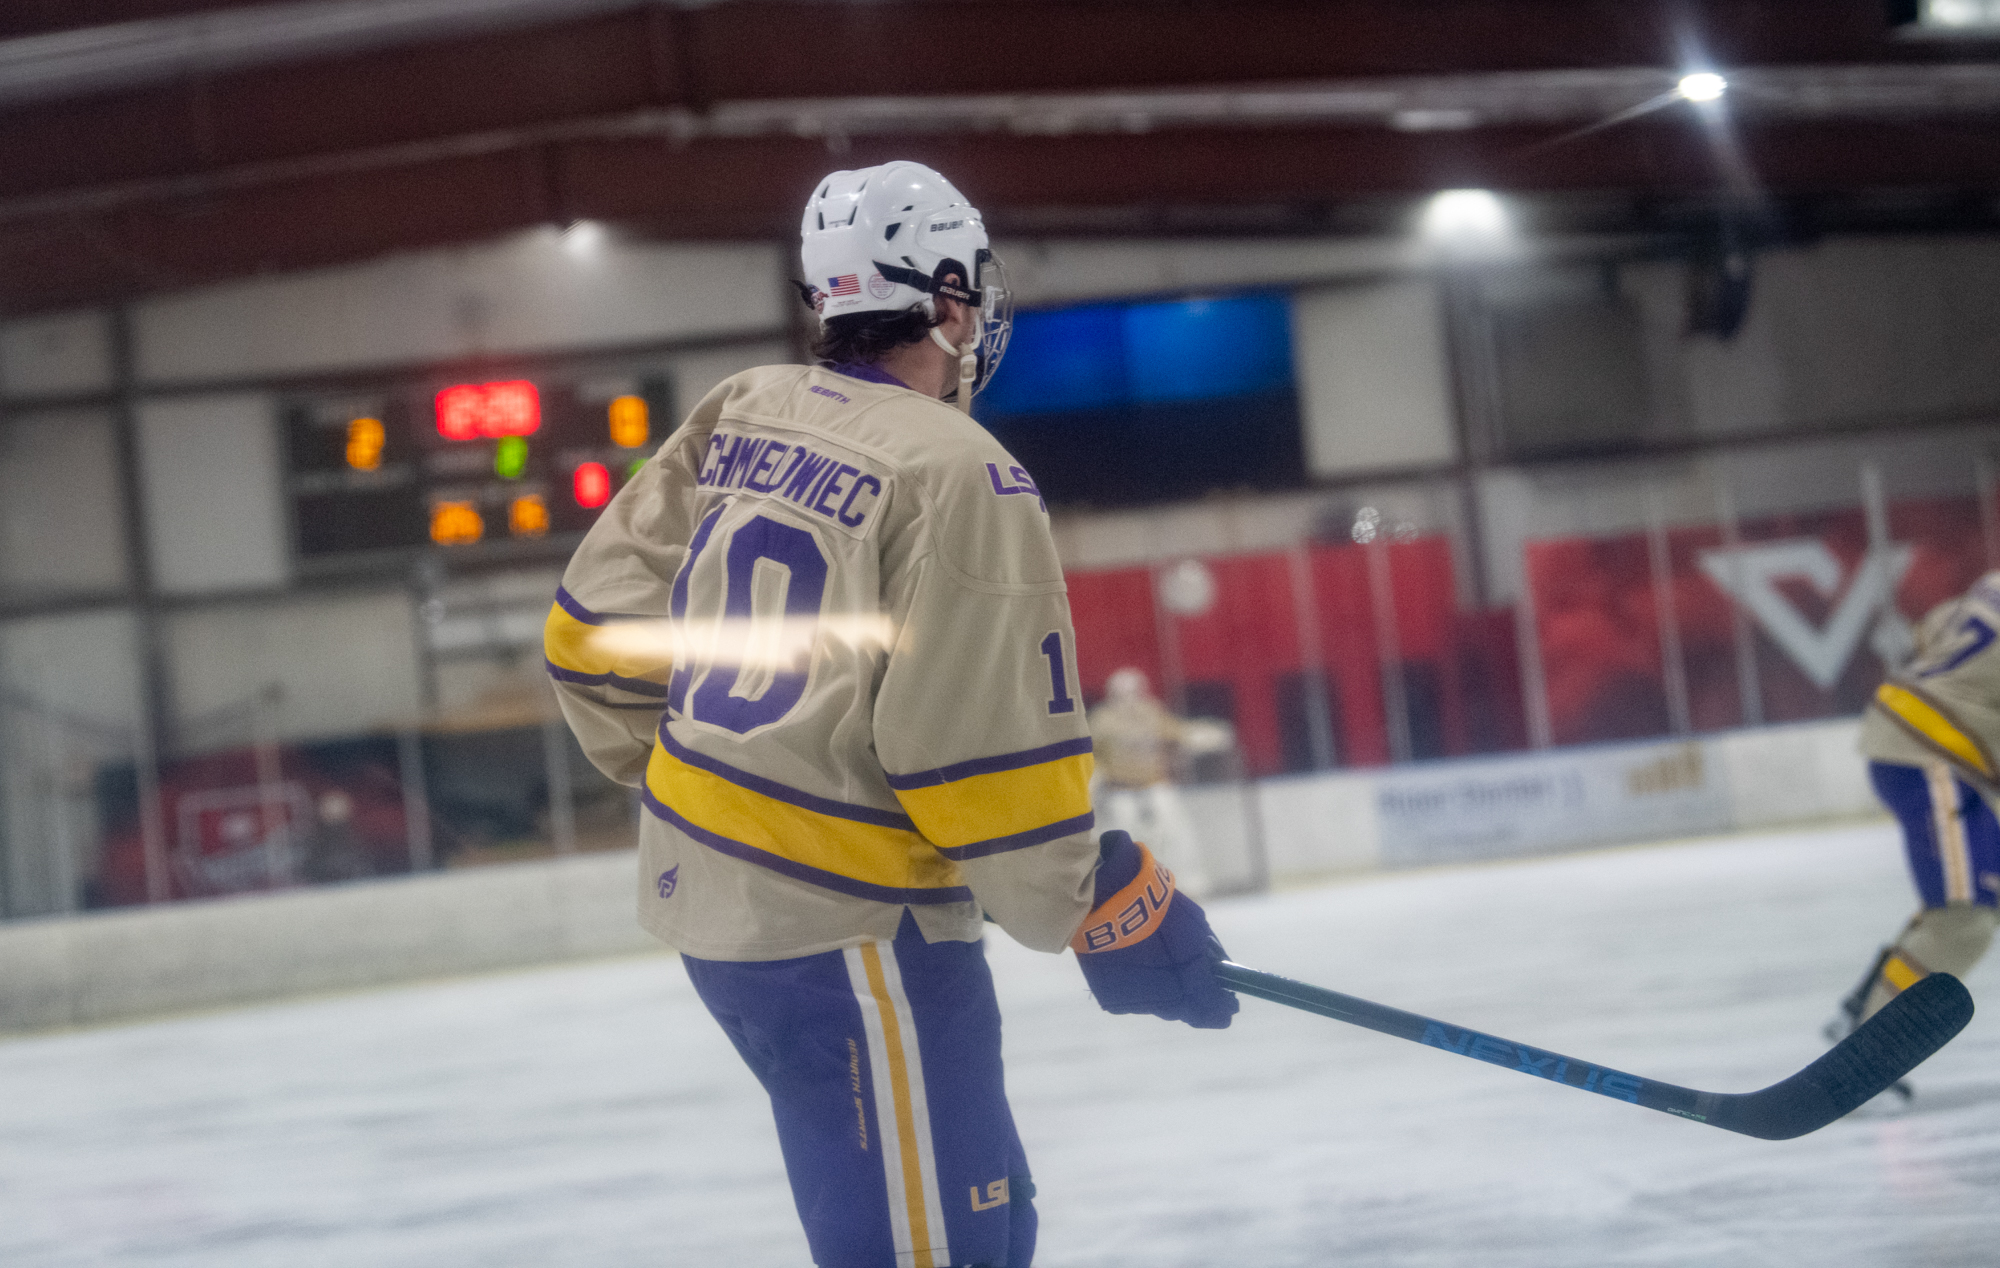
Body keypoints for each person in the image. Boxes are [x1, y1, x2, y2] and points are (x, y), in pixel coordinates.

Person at [543, 160, 1236, 1268]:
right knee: (942, 1249)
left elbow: (588, 634)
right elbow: (973, 753)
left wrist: (704, 782)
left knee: (986, 1217)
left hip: (714, 917)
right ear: (951, 301)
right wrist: (1091, 900)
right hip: (855, 936)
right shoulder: (964, 469)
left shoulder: (742, 408)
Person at [1834, 570, 2000, 1079]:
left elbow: (1930, 629)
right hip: (1940, 753)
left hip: (1919, 738)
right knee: (1963, 917)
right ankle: (1863, 1060)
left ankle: (1865, 1008)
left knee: (1962, 909)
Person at [1089, 666, 1233, 898]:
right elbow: (1092, 759)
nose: (1129, 700)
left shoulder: (1152, 713)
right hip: (1119, 792)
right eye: (1121, 694)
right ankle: (1129, 891)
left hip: (1155, 787)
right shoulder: (1101, 721)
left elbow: (1179, 734)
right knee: (1126, 843)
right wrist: (1092, 789)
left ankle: (1187, 885)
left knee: (1176, 835)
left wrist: (1207, 734)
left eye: (1133, 692)